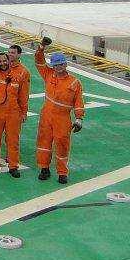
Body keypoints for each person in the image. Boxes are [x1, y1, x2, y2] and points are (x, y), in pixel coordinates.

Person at [34, 43, 85, 184]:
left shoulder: (74, 83)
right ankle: (44, 168)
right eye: (56, 65)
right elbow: (39, 61)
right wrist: (41, 48)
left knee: (62, 144)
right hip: (46, 116)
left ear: (66, 64)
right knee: (43, 143)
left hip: (63, 118)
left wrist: (79, 118)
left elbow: (78, 102)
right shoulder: (49, 74)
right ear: (53, 66)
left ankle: (62, 172)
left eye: (61, 64)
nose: (59, 67)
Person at [0, 40, 30, 177]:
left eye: (5, 60)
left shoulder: (22, 73)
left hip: (13, 113)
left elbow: (24, 95)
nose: (2, 63)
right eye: (0, 61)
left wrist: (24, 112)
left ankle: (13, 166)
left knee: (13, 140)